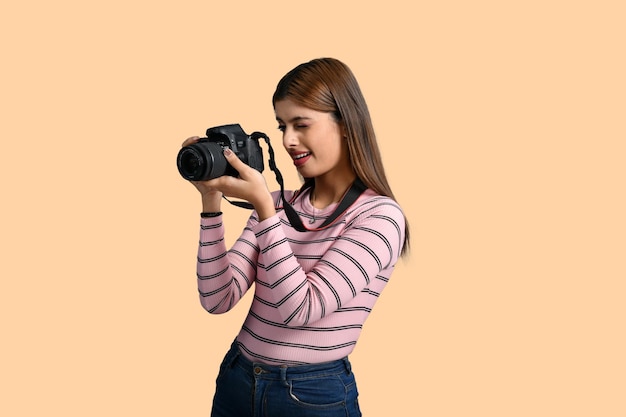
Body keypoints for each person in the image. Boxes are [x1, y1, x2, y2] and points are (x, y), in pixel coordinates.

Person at [181, 57, 410, 417]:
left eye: (301, 124)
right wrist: (211, 202)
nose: (288, 140)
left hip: (312, 396)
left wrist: (264, 211)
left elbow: (300, 309)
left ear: (347, 124)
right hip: (237, 379)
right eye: (282, 125)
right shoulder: (273, 205)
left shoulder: (380, 217)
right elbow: (217, 298)